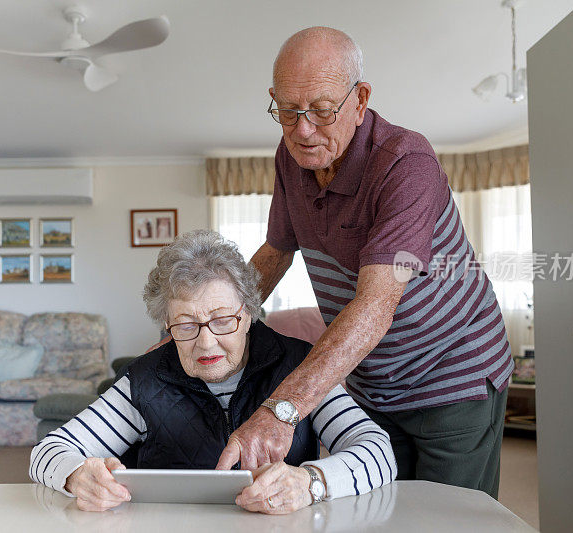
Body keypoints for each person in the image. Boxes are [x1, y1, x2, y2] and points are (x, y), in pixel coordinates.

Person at [216, 27, 513, 499]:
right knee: (376, 506)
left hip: (452, 374)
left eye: (321, 110)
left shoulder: (405, 162)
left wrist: (282, 409)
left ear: (360, 99)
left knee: (450, 515)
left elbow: (376, 304)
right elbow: (274, 253)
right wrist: (214, 319)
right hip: (373, 382)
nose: (303, 129)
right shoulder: (290, 157)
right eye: (288, 112)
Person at [30, 230, 396, 513]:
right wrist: (76, 475)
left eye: (222, 321)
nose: (206, 344)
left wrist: (311, 482)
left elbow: (380, 453)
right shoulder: (142, 381)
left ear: (249, 313)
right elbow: (48, 450)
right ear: (167, 324)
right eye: (186, 325)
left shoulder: (300, 367)